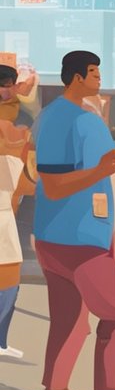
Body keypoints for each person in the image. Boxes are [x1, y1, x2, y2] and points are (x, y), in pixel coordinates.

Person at [33, 50, 115, 390]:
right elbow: (54, 184)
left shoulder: (53, 116)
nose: (98, 77)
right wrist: (100, 170)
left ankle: (56, 387)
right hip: (82, 237)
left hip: (54, 235)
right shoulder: (77, 120)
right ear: (77, 77)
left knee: (70, 318)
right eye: (93, 72)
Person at [0, 119, 34, 360]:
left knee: (11, 284)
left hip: (6, 225)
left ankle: (1, 342)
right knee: (9, 284)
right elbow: (30, 185)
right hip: (3, 228)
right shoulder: (8, 163)